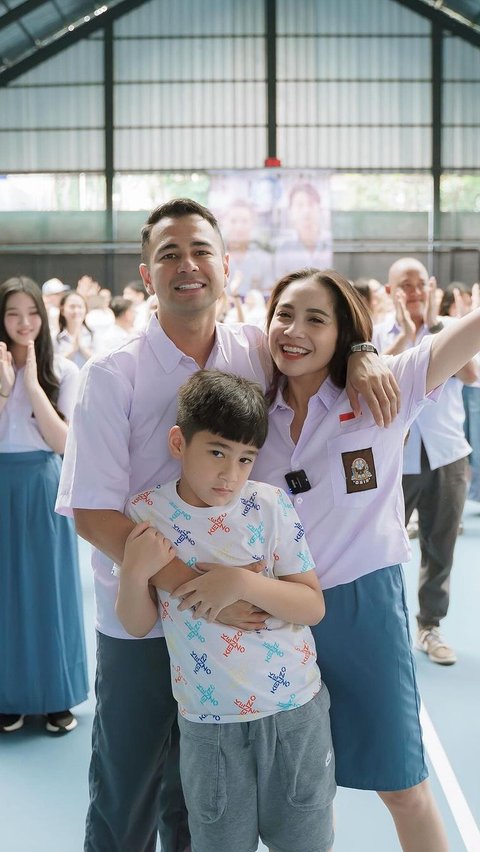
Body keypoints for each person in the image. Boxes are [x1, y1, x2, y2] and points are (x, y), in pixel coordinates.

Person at [56, 198, 399, 852]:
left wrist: (362, 354)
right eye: (169, 254)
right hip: (145, 618)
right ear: (146, 272)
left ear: (226, 265)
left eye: (200, 250)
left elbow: (319, 352)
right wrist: (198, 590)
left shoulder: (257, 351)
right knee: (127, 789)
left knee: (199, 796)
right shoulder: (113, 375)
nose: (187, 265)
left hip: (233, 631)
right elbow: (94, 511)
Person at [239, 267, 480, 852]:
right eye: (284, 315)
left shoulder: (384, 389)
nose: (293, 331)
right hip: (276, 619)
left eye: (316, 319)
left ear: (344, 332)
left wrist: (368, 352)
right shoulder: (249, 407)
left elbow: (468, 337)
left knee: (402, 787)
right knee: (296, 792)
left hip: (363, 611)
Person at [117, 370, 335, 852]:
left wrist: (240, 580)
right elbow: (136, 624)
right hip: (208, 725)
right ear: (179, 442)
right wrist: (134, 572)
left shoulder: (270, 505)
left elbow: (312, 605)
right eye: (216, 452)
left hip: (294, 714)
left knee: (305, 843)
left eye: (245, 458)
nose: (230, 474)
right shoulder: (147, 514)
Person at [374, 259, 477, 665]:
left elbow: (470, 375)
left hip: (447, 455)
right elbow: (372, 374)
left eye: (420, 285)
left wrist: (436, 329)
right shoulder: (377, 334)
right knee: (381, 547)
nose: (414, 293)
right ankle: (386, 627)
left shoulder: (452, 327)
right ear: (389, 291)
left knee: (441, 546)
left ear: (431, 288)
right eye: (405, 286)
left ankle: (429, 626)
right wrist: (403, 337)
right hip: (395, 460)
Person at [0, 276, 88, 734]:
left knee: (48, 589)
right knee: (4, 592)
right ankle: (8, 695)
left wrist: (31, 384)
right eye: (13, 313)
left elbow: (62, 444)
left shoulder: (66, 372)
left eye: (32, 313)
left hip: (42, 484)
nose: (24, 323)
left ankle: (55, 696)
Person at [274, 182, 333, 280]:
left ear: (319, 208)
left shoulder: (332, 242)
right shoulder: (284, 249)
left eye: (311, 204)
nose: (306, 210)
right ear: (291, 211)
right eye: (300, 205)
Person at [221, 198, 274, 296]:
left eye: (244, 221)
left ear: (252, 223)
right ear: (225, 223)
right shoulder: (217, 257)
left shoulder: (264, 259)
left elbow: (269, 294)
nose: (239, 227)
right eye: (233, 221)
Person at [53, 290, 94, 368]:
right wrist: (72, 351)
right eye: (72, 307)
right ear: (62, 310)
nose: (76, 311)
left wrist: (82, 348)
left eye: (80, 307)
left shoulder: (94, 335)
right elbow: (53, 367)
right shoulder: (55, 338)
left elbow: (102, 364)